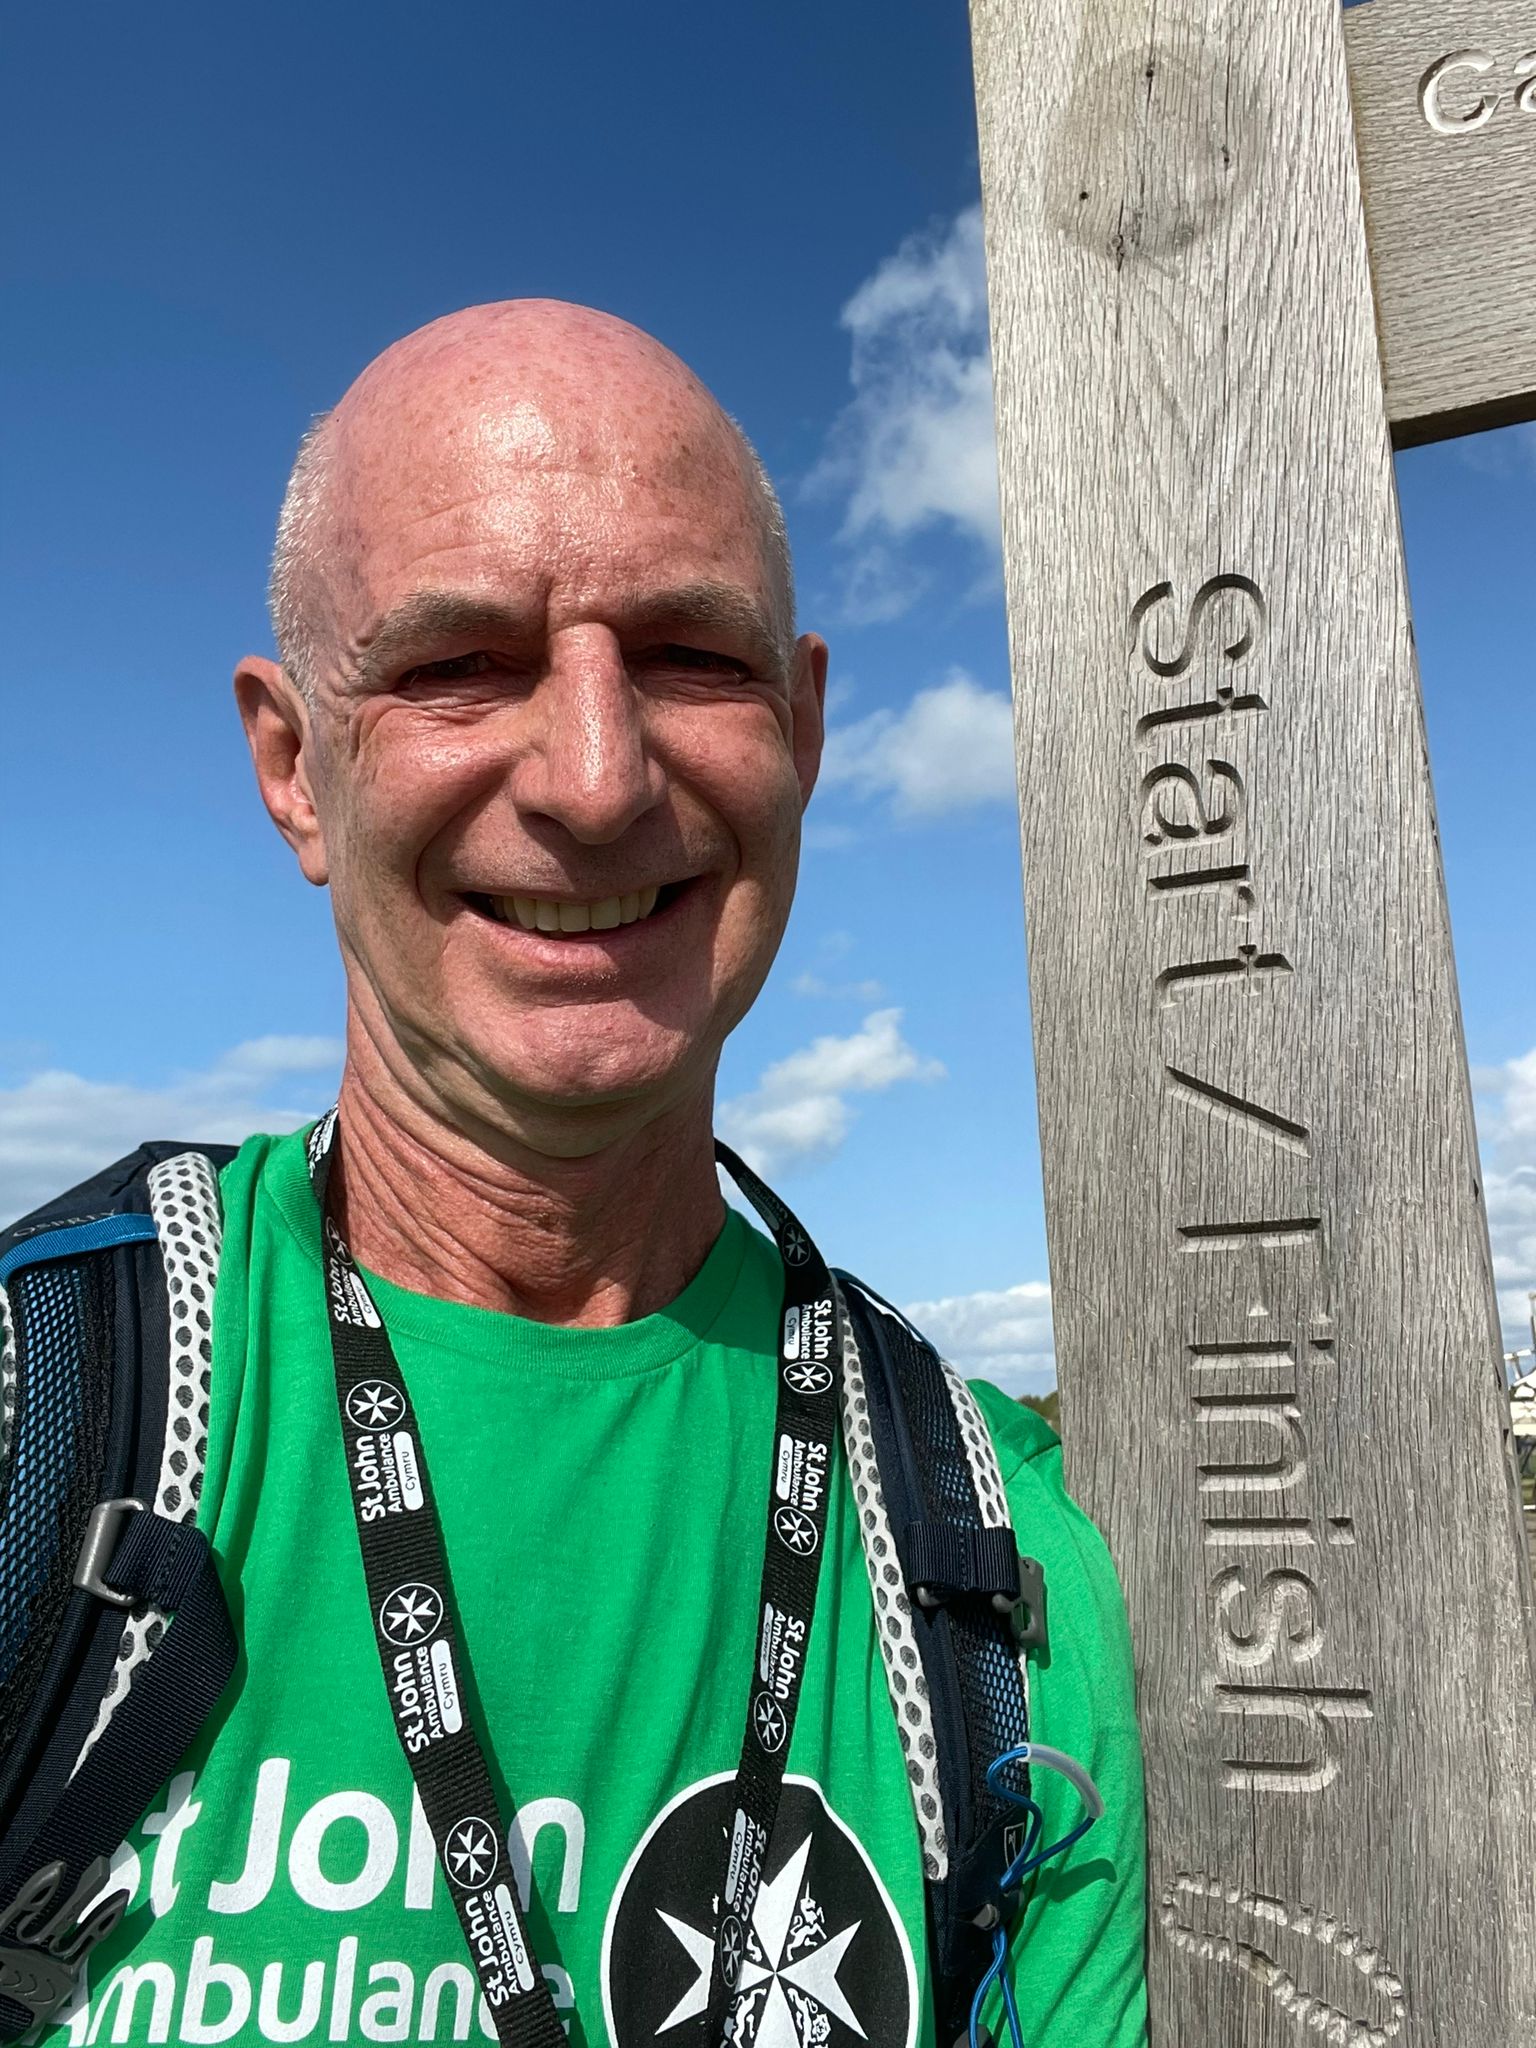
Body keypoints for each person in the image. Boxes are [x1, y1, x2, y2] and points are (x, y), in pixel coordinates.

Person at [50, 301, 1147, 2046]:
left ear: (798, 727)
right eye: (460, 662)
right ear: (293, 767)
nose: (593, 774)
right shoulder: (52, 1425)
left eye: (690, 656)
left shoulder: (1000, 1563)